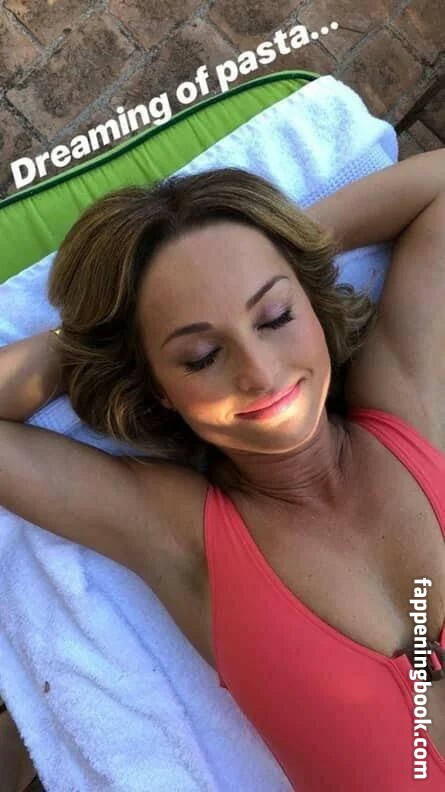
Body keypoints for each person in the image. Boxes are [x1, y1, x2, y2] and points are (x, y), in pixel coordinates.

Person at [0, 151, 444, 791]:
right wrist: (102, 344)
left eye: (276, 317)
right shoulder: (188, 541)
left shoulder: (408, 407)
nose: (259, 373)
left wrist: (285, 248)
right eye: (202, 355)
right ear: (158, 389)